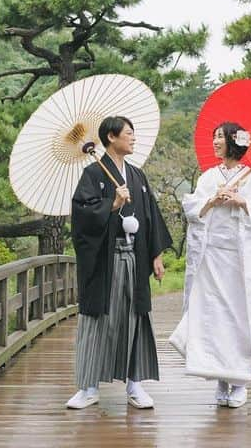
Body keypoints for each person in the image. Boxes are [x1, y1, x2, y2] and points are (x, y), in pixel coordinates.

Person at [66, 116, 173, 410]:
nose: (133, 138)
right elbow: (81, 217)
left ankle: (135, 385)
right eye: (129, 133)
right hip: (105, 261)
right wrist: (111, 205)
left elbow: (150, 216)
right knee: (99, 319)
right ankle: (88, 387)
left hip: (135, 261)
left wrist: (156, 255)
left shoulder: (137, 176)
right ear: (111, 137)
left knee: (135, 318)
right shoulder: (92, 174)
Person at [169, 122, 251, 408]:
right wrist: (213, 201)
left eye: (219, 137)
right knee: (213, 316)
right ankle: (220, 378)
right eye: (214, 136)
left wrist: (241, 201)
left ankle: (239, 381)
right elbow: (193, 210)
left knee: (238, 317)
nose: (214, 142)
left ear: (232, 142)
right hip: (212, 256)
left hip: (238, 260)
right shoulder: (208, 177)